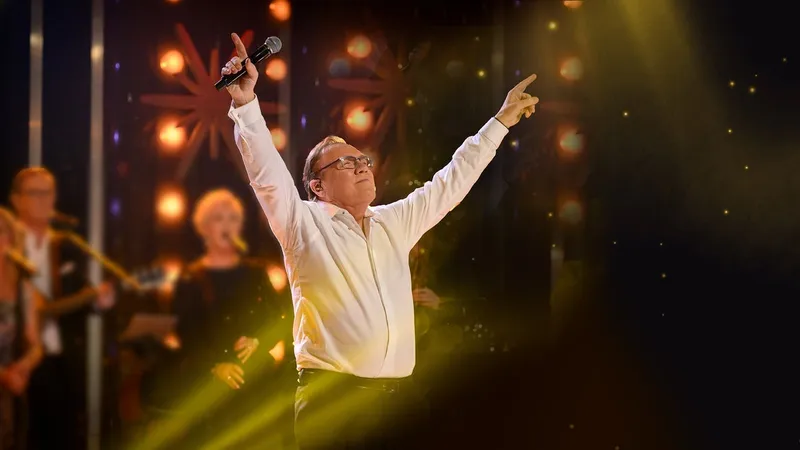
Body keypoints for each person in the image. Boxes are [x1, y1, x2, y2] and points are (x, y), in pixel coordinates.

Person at [222, 32, 538, 449]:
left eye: (362, 159)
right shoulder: (303, 223)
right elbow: (266, 172)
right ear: (317, 186)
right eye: (345, 163)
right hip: (334, 403)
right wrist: (245, 103)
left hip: (399, 401)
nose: (360, 166)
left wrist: (500, 123)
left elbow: (452, 181)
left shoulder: (393, 221)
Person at [151, 189, 290, 448]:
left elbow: (279, 319)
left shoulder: (257, 274)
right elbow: (185, 334)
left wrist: (258, 341)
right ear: (203, 227)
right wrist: (215, 366)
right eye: (218, 218)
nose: (226, 225)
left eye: (232, 218)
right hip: (209, 387)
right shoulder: (190, 278)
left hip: (256, 382)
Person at [9, 167, 115, 449]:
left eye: (48, 192)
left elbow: (83, 295)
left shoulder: (66, 246)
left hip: (61, 358)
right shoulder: (6, 245)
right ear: (16, 200)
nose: (44, 199)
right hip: (16, 360)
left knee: (65, 433)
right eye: (35, 192)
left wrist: (99, 302)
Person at [0, 207, 43, 450]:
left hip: (9, 396)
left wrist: (22, 367)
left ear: (11, 239)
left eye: (1, 232)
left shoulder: (22, 288)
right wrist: (4, 376)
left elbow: (36, 346)